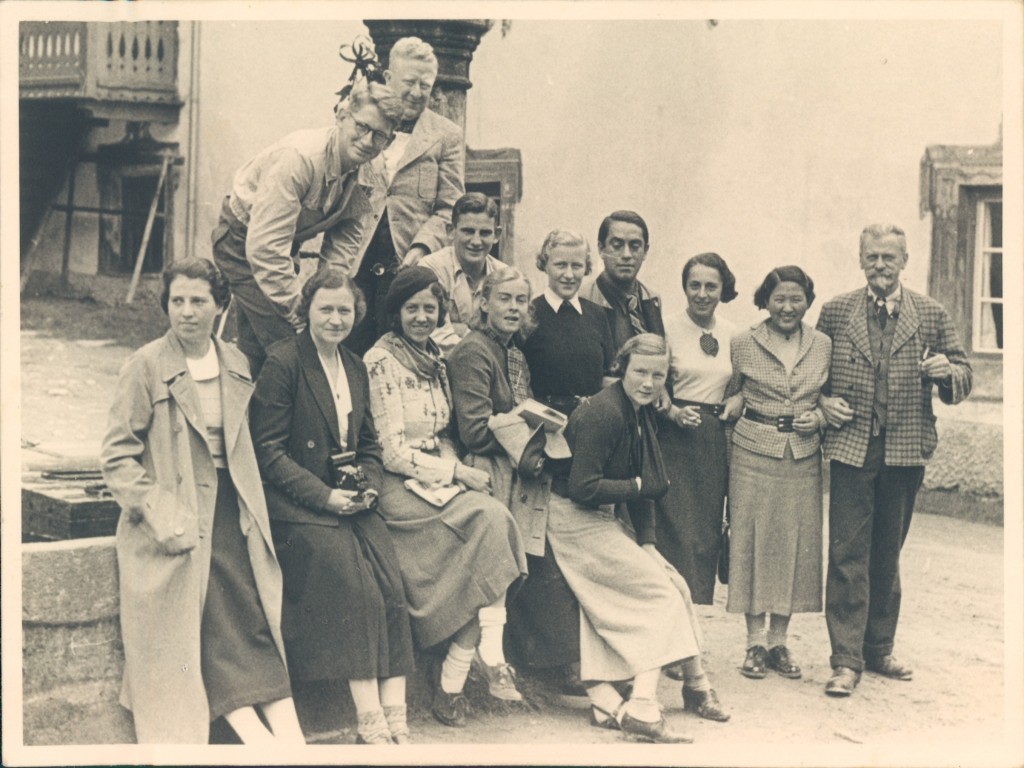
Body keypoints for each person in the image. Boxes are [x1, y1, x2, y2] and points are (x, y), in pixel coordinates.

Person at [100, 258, 303, 744]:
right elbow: (116, 457)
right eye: (177, 301)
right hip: (175, 517)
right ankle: (259, 738)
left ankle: (288, 738)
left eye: (198, 301)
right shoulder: (146, 365)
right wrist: (160, 510)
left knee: (251, 612)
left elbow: (243, 448)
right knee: (205, 614)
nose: (186, 312)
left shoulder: (235, 362)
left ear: (221, 307)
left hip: (233, 506)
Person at [249, 268, 415, 745]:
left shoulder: (355, 366)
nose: (336, 319)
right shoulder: (283, 363)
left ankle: (397, 712)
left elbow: (368, 444)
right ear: (307, 312)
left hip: (350, 498)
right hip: (298, 507)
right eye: (326, 309)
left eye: (345, 310)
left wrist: (368, 488)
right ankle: (370, 719)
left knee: (390, 582)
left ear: (356, 314)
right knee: (353, 584)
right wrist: (324, 496)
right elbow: (268, 452)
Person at [363, 266, 529, 728]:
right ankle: (483, 659)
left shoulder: (434, 355)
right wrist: (456, 473)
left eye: (429, 308)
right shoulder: (381, 361)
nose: (420, 317)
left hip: (438, 475)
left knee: (493, 521)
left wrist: (458, 471)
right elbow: (392, 450)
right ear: (395, 312)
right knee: (487, 525)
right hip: (400, 488)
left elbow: (444, 431)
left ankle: (456, 681)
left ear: (440, 312)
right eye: (411, 308)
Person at [548, 333, 729, 744]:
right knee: (660, 597)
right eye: (640, 373)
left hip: (597, 518)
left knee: (674, 582)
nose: (649, 382)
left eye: (658, 375)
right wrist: (634, 485)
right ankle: (644, 706)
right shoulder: (604, 412)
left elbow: (645, 482)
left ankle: (673, 688)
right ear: (622, 369)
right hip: (572, 521)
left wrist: (647, 543)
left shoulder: (639, 409)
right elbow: (582, 486)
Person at [817, 224, 972, 697]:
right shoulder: (837, 311)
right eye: (872, 257)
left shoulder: (930, 313)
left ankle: (878, 649)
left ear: (905, 260)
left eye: (889, 257)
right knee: (847, 553)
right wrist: (823, 402)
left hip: (905, 449)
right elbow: (812, 371)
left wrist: (948, 373)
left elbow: (965, 373)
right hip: (851, 448)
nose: (880, 266)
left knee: (888, 552)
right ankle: (845, 661)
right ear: (860, 259)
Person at [444, 264, 578, 692]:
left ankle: (543, 662)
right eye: (505, 299)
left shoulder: (513, 352)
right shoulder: (474, 351)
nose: (515, 308)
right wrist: (523, 423)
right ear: (483, 303)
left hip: (518, 467)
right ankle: (489, 660)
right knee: (503, 565)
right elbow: (475, 430)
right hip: (488, 470)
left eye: (522, 300)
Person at [212, 79, 403, 376]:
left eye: (378, 135)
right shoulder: (299, 159)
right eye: (362, 127)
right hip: (242, 238)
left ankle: (252, 413)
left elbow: (346, 239)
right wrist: (303, 312)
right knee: (293, 344)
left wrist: (327, 295)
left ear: (388, 142)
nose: (367, 141)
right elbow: (265, 249)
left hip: (282, 243)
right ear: (342, 117)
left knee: (256, 350)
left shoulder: (372, 169)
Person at [725, 266, 831, 682]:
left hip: (803, 456)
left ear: (808, 300)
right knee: (752, 540)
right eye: (779, 299)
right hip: (752, 451)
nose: (787, 307)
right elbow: (729, 392)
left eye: (796, 299)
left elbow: (830, 396)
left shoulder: (822, 344)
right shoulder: (743, 342)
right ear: (764, 300)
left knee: (795, 544)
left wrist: (819, 417)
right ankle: (754, 642)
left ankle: (779, 643)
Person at [346, 37, 466, 355]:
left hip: (404, 270)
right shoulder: (361, 122)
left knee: (398, 354)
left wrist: (421, 247)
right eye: (409, 82)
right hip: (353, 264)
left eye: (424, 85)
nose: (416, 92)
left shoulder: (447, 135)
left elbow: (451, 207)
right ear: (388, 79)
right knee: (349, 355)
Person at [658, 253, 743, 605]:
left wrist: (740, 399)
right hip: (673, 436)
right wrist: (673, 412)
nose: (702, 294)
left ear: (723, 289)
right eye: (695, 285)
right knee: (673, 531)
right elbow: (655, 384)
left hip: (713, 438)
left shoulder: (735, 335)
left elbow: (743, 385)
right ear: (684, 287)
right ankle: (667, 611)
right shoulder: (666, 327)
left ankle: (693, 618)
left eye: (711, 286)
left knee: (706, 532)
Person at [522, 229, 615, 415]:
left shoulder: (597, 315)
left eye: (577, 266)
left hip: (592, 421)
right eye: (561, 265)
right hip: (545, 424)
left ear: (586, 268)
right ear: (545, 265)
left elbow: (608, 375)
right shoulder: (529, 313)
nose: (569, 275)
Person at [421, 192, 504, 352]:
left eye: (485, 233)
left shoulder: (503, 275)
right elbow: (435, 333)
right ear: (451, 231)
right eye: (468, 231)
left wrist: (459, 329)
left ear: (497, 235)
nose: (476, 241)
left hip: (487, 365)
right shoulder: (431, 268)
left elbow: (506, 334)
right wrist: (479, 340)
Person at [580, 210, 665, 352]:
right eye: (617, 245)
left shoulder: (652, 298)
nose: (626, 255)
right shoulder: (583, 298)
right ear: (601, 249)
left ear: (645, 251)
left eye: (635, 246)